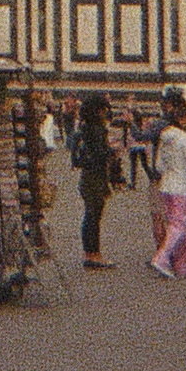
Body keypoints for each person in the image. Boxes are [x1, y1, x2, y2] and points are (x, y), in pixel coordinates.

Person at [150, 95, 186, 279]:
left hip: (166, 185)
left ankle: (182, 263)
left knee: (176, 223)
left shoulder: (164, 137)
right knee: (179, 224)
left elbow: (158, 166)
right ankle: (162, 257)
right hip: (181, 186)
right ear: (183, 119)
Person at [70, 93, 115, 268]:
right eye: (104, 109)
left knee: (90, 216)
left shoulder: (85, 128)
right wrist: (112, 151)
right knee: (94, 216)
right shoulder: (97, 130)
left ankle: (89, 253)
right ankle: (94, 254)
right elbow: (99, 154)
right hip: (95, 177)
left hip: (87, 176)